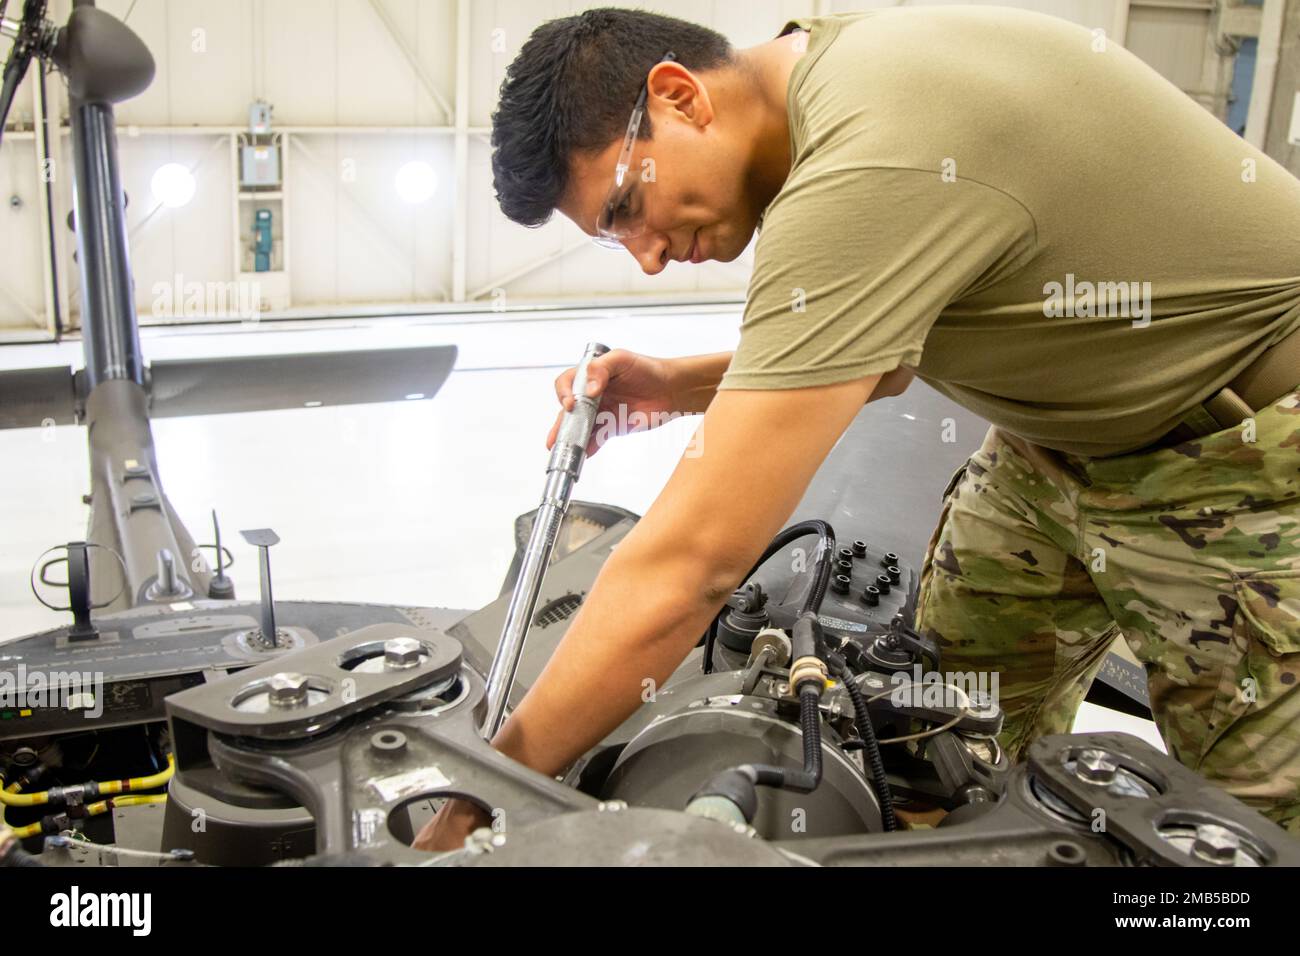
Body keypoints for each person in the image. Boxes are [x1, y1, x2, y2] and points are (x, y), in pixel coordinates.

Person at [415, 6, 1300, 850]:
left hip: (1242, 462)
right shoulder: (825, 82)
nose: (645, 258)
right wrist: (676, 385)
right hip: (1051, 451)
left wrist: (492, 788)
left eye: (621, 212)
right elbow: (881, 355)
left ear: (680, 96)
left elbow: (690, 567)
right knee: (932, 739)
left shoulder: (871, 160)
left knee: (1239, 839)